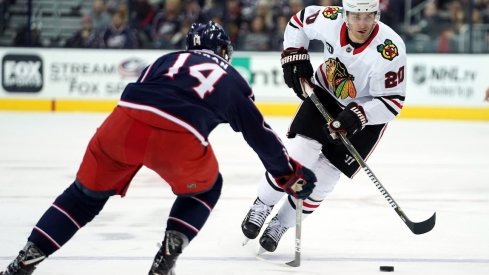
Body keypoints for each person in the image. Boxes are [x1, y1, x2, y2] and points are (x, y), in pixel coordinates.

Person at [0, 21, 317, 275]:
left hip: (121, 125)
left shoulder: (164, 60)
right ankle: (168, 253)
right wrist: (290, 175)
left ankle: (26, 260)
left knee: (81, 199)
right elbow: (259, 134)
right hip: (178, 137)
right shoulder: (231, 78)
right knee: (204, 190)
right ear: (223, 51)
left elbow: (141, 102)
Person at [241, 0, 407, 253]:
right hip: (325, 94)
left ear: (377, 14)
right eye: (355, 16)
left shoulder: (390, 49)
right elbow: (299, 22)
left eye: (368, 16)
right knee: (298, 156)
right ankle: (263, 203)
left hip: (367, 114)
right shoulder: (329, 19)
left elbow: (392, 101)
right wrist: (294, 54)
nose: (362, 23)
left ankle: (281, 223)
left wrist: (358, 115)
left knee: (325, 177)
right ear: (345, 14)